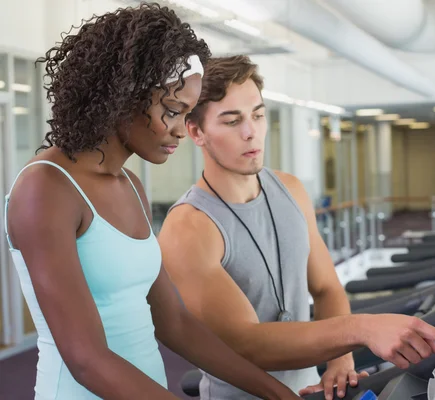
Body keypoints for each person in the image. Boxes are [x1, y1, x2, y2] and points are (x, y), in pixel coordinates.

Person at [3, 4, 303, 400]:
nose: (181, 130)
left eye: (187, 113)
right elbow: (86, 358)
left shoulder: (130, 185)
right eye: (171, 111)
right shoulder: (44, 189)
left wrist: (277, 393)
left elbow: (174, 322)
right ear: (122, 96)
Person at [158, 55, 435, 400]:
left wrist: (340, 359)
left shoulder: (291, 190)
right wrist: (359, 329)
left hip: (312, 387)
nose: (250, 132)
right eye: (232, 121)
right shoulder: (188, 228)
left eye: (258, 115)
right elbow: (248, 343)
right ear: (196, 132)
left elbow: (327, 288)